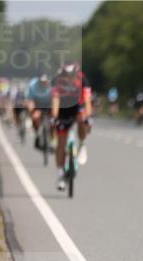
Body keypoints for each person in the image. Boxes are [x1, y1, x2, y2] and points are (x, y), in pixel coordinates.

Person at [51, 63, 92, 191]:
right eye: (67, 76)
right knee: (61, 144)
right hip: (63, 109)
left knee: (82, 118)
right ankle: (60, 175)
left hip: (77, 106)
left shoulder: (83, 80)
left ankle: (82, 144)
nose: (69, 78)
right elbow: (55, 100)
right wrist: (54, 117)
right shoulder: (57, 81)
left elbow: (87, 101)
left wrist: (88, 116)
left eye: (72, 76)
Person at [26, 73, 53, 149]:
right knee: (35, 117)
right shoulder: (33, 85)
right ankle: (38, 133)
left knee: (53, 120)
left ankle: (52, 137)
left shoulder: (52, 85)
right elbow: (30, 100)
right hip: (38, 104)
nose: (43, 83)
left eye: (45, 82)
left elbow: (55, 99)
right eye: (41, 82)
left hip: (48, 104)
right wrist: (31, 110)